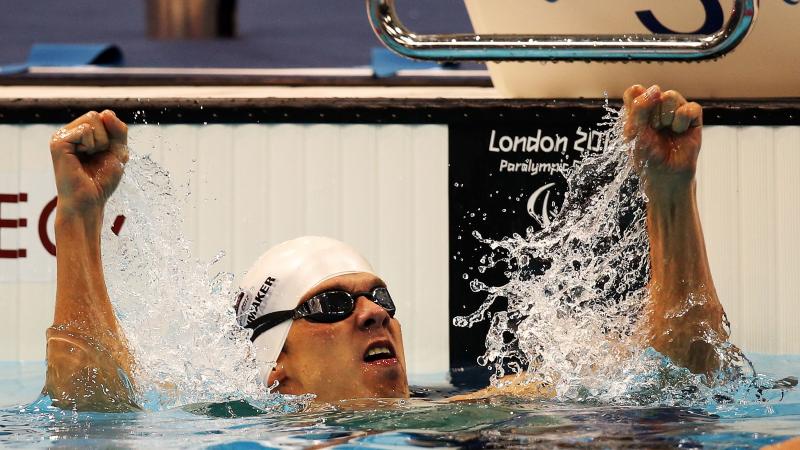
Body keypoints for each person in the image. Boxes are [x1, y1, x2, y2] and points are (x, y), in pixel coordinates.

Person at [44, 84, 728, 411]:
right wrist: (79, 218)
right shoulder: (233, 425)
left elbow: (679, 383)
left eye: (378, 297)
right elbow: (90, 409)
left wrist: (669, 194)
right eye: (333, 303)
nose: (372, 313)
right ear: (276, 370)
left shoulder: (467, 414)